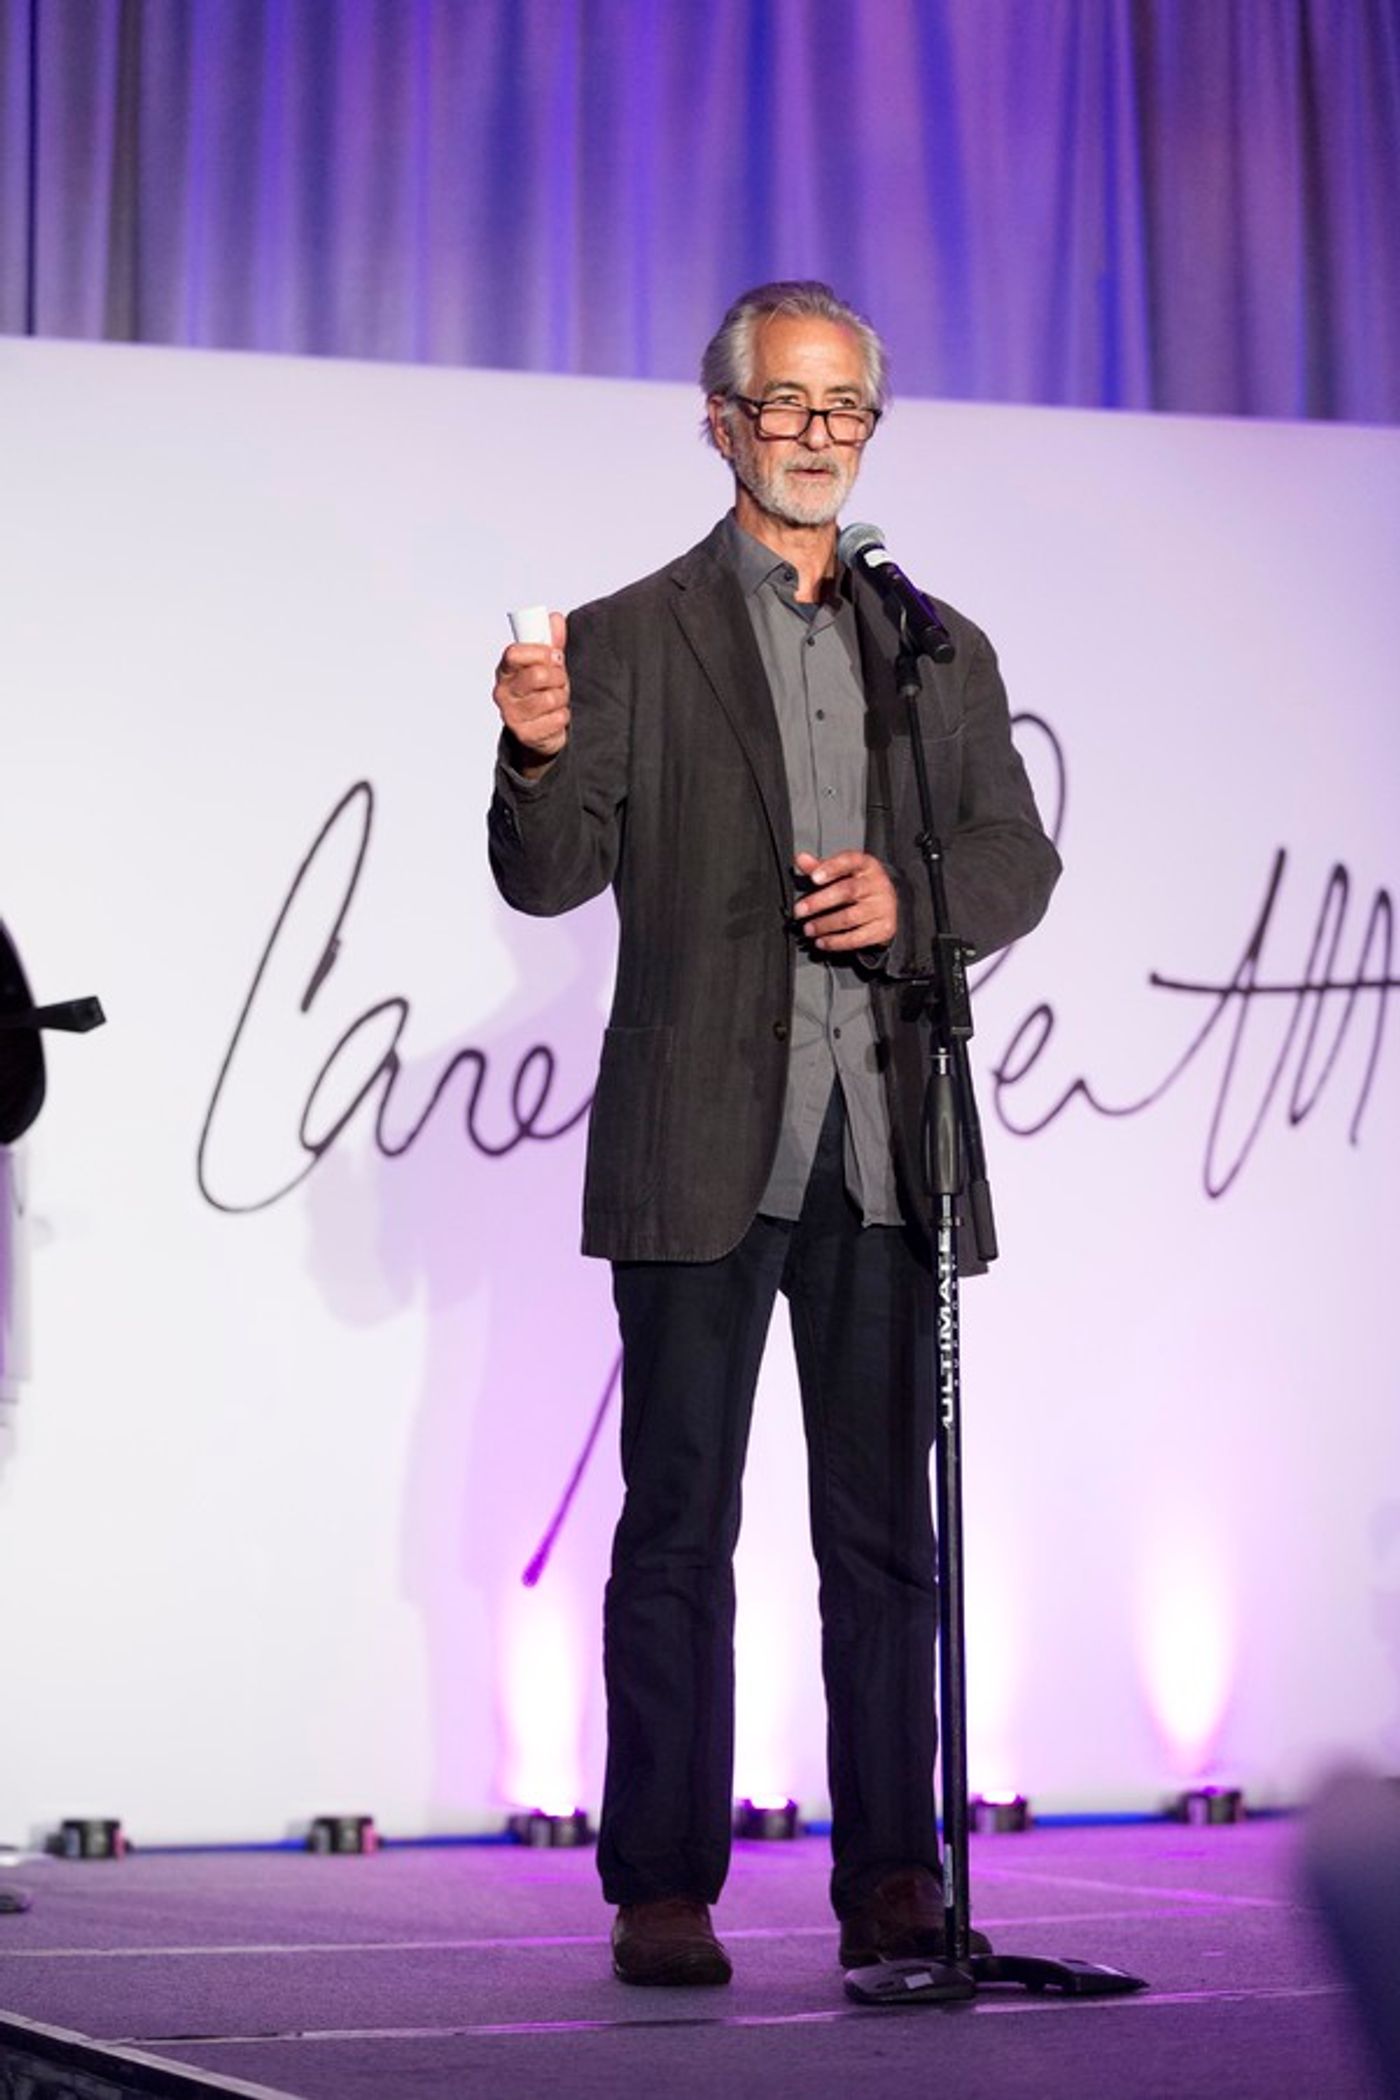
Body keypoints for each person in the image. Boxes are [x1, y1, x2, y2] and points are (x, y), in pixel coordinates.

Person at [488, 280, 1059, 1987]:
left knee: (888, 1537)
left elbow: (1016, 859)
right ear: (720, 419)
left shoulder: (932, 642)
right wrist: (529, 759)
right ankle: (662, 1881)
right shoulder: (625, 634)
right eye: (788, 406)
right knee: (679, 1525)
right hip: (698, 1138)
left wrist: (918, 896)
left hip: (889, 1134)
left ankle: (893, 1876)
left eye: (846, 412)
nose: (818, 438)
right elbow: (549, 872)